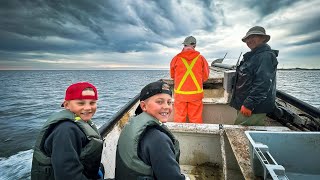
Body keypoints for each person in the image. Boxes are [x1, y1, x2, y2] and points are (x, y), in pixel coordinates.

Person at [31, 82, 103, 180]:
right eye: (81, 103)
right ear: (67, 105)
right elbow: (67, 175)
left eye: (92, 103)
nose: (88, 108)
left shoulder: (78, 120)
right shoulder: (66, 131)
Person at [115, 80, 186, 180]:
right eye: (159, 102)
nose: (166, 106)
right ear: (143, 106)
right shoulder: (159, 140)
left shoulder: (133, 124)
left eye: (169, 102)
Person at [230, 26, 279, 126]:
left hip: (254, 108)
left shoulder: (265, 56)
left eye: (254, 36)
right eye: (247, 38)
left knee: (241, 134)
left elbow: (263, 83)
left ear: (263, 39)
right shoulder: (253, 56)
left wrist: (249, 104)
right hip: (245, 104)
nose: (249, 40)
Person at [170, 36, 209, 123]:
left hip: (180, 95)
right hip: (196, 95)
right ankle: (197, 136)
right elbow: (205, 77)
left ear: (184, 45)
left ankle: (179, 136)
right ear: (194, 46)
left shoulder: (176, 58)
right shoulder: (201, 58)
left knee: (179, 119)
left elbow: (173, 76)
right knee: (196, 120)